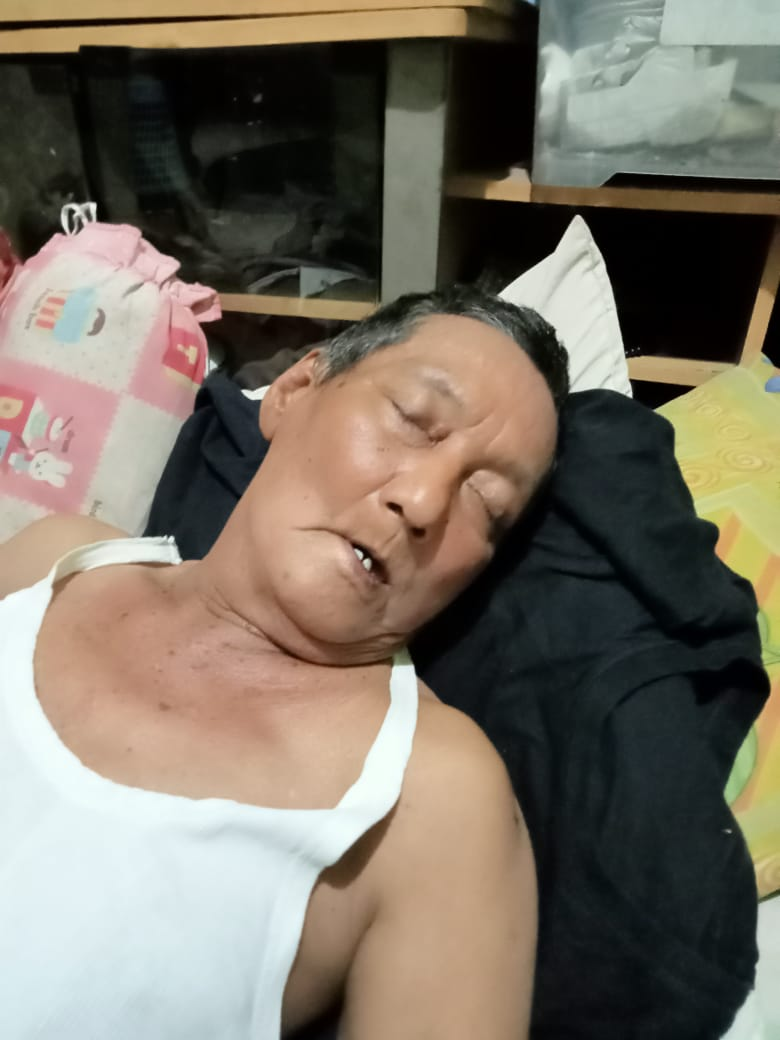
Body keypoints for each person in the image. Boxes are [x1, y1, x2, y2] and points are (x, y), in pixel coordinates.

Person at [0, 286, 568, 1039]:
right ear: (294, 391)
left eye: (486, 505)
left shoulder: (434, 798)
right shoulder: (53, 565)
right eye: (413, 420)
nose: (425, 502)